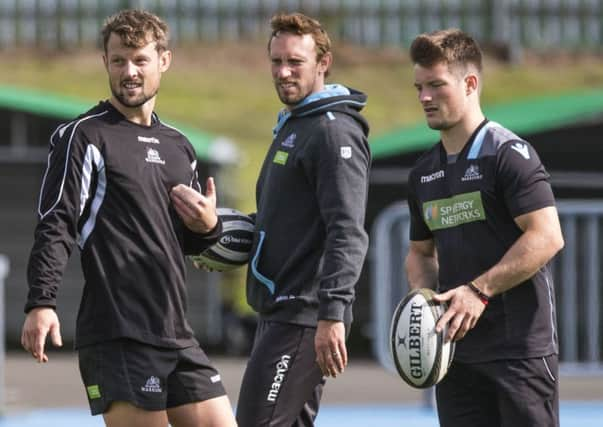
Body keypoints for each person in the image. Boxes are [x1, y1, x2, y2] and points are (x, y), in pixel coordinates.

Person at [20, 9, 237, 427]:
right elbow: (57, 221)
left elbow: (185, 243)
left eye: (140, 59)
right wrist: (41, 301)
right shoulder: (83, 136)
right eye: (119, 60)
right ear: (105, 62)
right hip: (118, 334)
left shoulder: (180, 146)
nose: (129, 71)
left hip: (176, 332)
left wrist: (210, 227)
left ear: (164, 61)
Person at [404, 28, 565, 427]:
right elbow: (420, 253)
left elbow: (547, 236)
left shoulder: (510, 155)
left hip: (519, 353)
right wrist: (424, 306)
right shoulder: (423, 171)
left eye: (436, 85)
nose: (425, 97)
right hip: (456, 356)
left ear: (470, 83)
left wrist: (479, 291)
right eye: (419, 87)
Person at [236, 12, 371, 427]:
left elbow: (347, 231)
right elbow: (280, 222)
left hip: (303, 315)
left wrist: (332, 314)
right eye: (276, 61)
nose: (283, 71)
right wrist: (214, 234)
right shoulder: (296, 125)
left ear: (322, 63)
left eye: (295, 61)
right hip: (280, 312)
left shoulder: (333, 133)